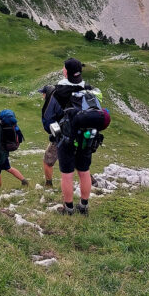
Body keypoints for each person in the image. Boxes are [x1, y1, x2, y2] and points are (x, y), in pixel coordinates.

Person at [47, 58, 96, 215]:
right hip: (86, 137)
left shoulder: (58, 92)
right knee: (84, 171)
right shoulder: (89, 90)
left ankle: (68, 208)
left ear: (66, 72)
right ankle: (84, 206)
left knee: (67, 175)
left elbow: (48, 118)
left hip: (66, 139)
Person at [0, 108, 28, 189]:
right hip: (4, 152)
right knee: (8, 168)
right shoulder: (9, 126)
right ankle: (24, 181)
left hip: (0, 153)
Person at [38, 85, 57, 188]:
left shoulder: (51, 103)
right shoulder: (62, 100)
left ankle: (49, 185)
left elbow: (48, 123)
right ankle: (92, 181)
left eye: (43, 93)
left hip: (59, 137)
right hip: (72, 135)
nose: (42, 95)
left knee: (47, 160)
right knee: (77, 159)